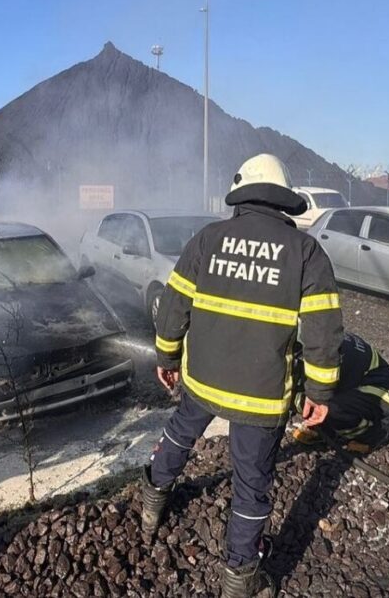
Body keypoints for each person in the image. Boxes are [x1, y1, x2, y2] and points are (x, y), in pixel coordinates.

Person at [142, 154, 344, 598]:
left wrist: (168, 356)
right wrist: (320, 389)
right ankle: (240, 577)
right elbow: (323, 329)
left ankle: (153, 501)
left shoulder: (208, 239)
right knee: (252, 483)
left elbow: (174, 306)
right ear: (282, 200)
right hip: (262, 394)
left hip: (202, 379)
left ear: (242, 196)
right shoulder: (305, 251)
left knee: (179, 436)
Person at [291, 331, 389, 454]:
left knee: (326, 405)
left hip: (384, 394)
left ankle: (370, 436)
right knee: (309, 398)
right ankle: (325, 429)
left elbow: (322, 393)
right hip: (357, 384)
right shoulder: (321, 335)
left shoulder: (326, 354)